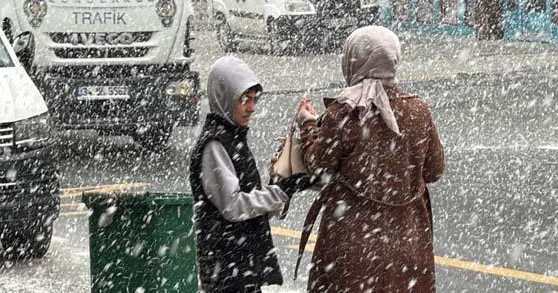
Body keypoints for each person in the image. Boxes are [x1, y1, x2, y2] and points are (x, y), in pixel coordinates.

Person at [294, 25, 446, 293]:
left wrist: (308, 128)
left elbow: (318, 167)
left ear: (353, 60)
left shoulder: (345, 112)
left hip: (351, 244)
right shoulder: (418, 110)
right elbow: (434, 170)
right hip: (408, 241)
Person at [189, 56, 310, 293]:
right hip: (226, 264)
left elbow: (249, 198)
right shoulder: (215, 144)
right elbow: (233, 205)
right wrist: (280, 191)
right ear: (224, 97)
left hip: (240, 262)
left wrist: (282, 187)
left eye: (254, 99)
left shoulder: (232, 137)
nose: (252, 108)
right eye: (244, 100)